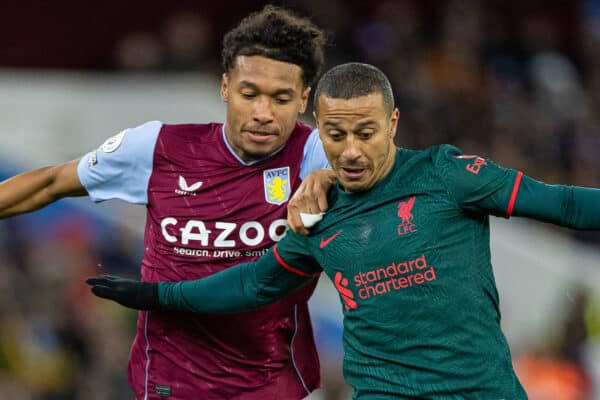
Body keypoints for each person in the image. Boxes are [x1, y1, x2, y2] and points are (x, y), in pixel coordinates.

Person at [87, 62, 600, 399]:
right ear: (318, 129)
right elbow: (253, 283)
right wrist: (158, 293)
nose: (350, 150)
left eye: (365, 132)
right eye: (335, 134)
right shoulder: (318, 213)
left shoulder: (446, 175)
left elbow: (565, 203)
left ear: (393, 123)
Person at [0, 6, 335, 400]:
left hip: (272, 384)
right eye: (249, 94)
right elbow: (52, 183)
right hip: (170, 382)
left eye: (280, 98)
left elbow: (398, 193)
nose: (262, 113)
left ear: (303, 99)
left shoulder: (317, 155)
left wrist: (333, 178)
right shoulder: (158, 148)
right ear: (225, 86)